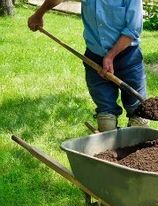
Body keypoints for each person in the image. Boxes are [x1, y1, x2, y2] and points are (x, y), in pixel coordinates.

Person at [28, 0, 147, 131]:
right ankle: (110, 148)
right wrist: (39, 14)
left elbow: (133, 29)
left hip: (128, 58)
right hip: (95, 58)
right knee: (106, 120)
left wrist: (110, 56)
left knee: (139, 118)